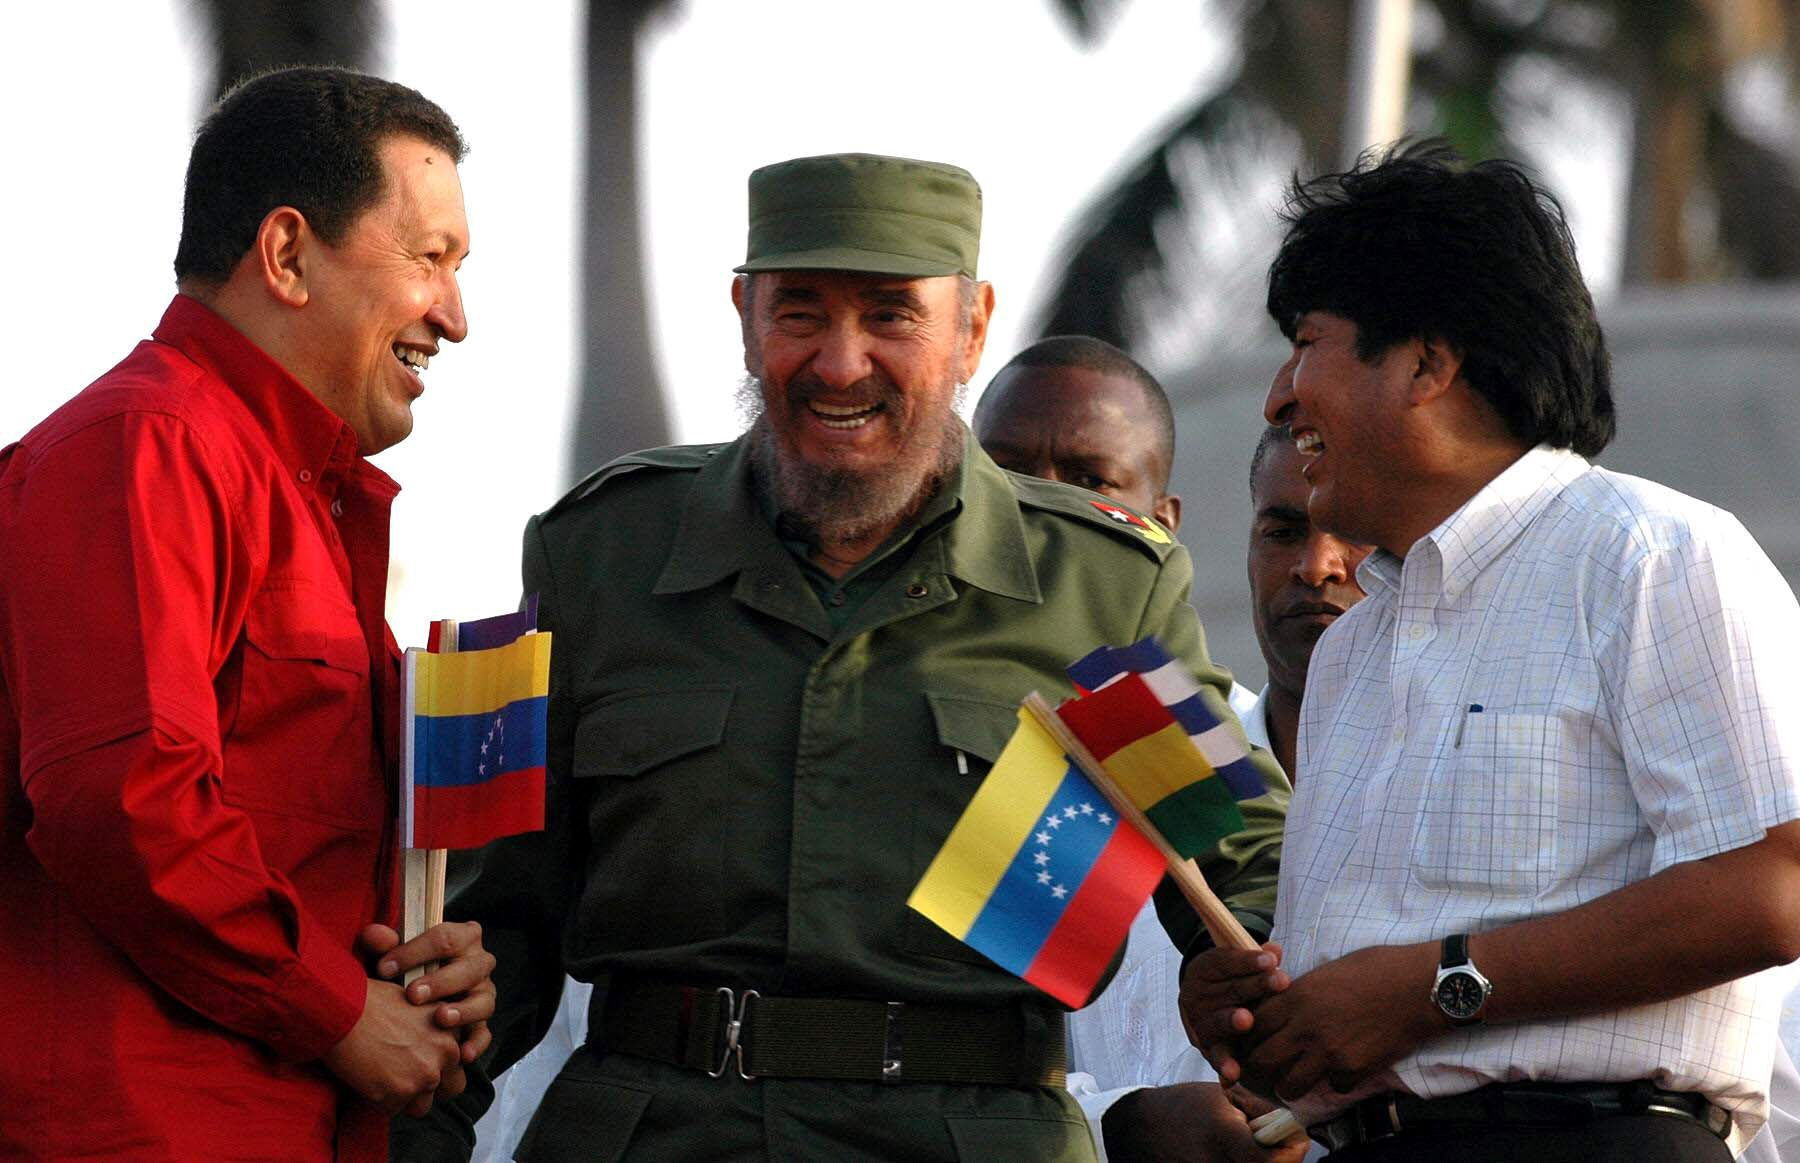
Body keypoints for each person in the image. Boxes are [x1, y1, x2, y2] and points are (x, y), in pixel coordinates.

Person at [395, 152, 1290, 1162]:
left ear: (973, 329)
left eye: (891, 315)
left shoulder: (1102, 586)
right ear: (744, 315)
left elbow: (1247, 873)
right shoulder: (603, 552)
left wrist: (1257, 994)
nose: (840, 361)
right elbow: (491, 928)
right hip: (658, 1133)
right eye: (801, 312)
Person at [1183, 142, 1800, 1161]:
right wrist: (1264, 1014)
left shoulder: (1653, 557)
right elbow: (1361, 1003)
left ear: (1427, 362)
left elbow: (1775, 887)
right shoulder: (1349, 653)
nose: (1279, 395)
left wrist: (1437, 984)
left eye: (1308, 344)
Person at [0, 67, 496, 1161]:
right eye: (431, 259)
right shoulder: (145, 446)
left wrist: (417, 969)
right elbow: (122, 797)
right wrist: (342, 1011)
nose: (456, 318)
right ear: (286, 255)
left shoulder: (293, 493)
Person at [974, 339, 1304, 1162]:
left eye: (1090, 482)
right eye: (1009, 474)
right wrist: (1121, 1126)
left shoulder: (1178, 746)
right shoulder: (910, 715)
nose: (1044, 512)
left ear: (1162, 524)